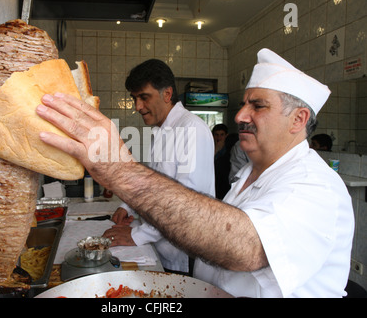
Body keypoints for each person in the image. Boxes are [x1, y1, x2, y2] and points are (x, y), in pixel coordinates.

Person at [36, 48, 354, 297]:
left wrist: (122, 173)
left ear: (298, 120)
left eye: (258, 106)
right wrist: (128, 201)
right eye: (244, 104)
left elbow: (245, 246)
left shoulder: (315, 186)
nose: (241, 115)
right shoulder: (250, 174)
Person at [103, 59, 215, 275]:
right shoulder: (161, 130)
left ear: (167, 94)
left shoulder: (192, 129)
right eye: (135, 99)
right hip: (160, 245)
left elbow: (184, 205)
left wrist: (136, 236)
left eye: (144, 97)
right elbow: (152, 183)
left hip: (182, 254)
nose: (138, 107)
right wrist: (128, 208)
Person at [215, 132, 239, 199]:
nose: (219, 138)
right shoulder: (219, 159)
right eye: (216, 135)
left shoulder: (220, 161)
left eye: (222, 135)